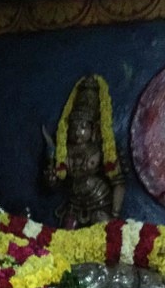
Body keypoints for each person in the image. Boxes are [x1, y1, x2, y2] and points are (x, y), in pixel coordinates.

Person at [44, 74, 125, 228]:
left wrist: (115, 213)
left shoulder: (102, 149)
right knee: (66, 231)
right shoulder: (64, 151)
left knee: (103, 229)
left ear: (93, 129)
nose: (77, 132)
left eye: (83, 127)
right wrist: (51, 180)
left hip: (99, 200)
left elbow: (118, 182)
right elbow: (57, 183)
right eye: (74, 127)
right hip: (74, 202)